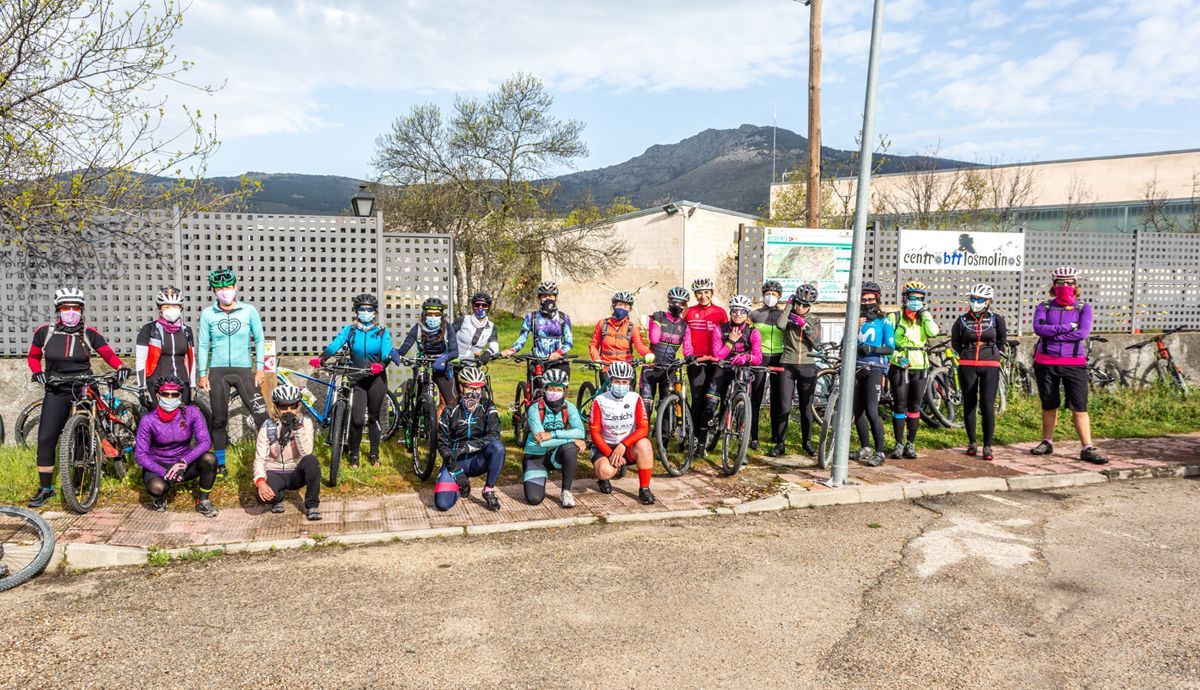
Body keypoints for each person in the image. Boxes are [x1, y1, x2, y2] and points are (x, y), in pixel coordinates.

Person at [26, 288, 132, 507]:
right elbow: (33, 356)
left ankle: (79, 481)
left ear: (81, 310)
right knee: (46, 438)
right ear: (58, 310)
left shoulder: (90, 333)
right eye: (66, 308)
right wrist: (37, 372)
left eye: (75, 308)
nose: (71, 312)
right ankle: (46, 488)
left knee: (84, 435)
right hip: (56, 388)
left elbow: (108, 354)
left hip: (84, 385)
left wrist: (121, 366)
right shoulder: (45, 332)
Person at [197, 268, 268, 478]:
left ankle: (267, 461)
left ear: (235, 287)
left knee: (262, 416)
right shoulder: (208, 314)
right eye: (219, 288)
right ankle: (220, 464)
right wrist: (202, 373)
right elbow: (202, 344)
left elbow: (260, 339)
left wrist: (261, 368)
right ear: (214, 291)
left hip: (244, 370)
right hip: (218, 372)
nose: (224, 291)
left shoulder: (248, 311)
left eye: (228, 287)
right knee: (219, 420)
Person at [1031, 266, 1107, 464]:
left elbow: (1082, 333)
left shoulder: (1083, 308)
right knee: (1049, 404)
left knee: (1079, 406)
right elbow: (1039, 329)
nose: (1065, 286)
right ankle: (1046, 441)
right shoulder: (1044, 307)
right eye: (1061, 283)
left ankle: (1087, 446)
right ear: (1053, 285)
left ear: (1076, 285)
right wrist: (1066, 328)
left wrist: (1053, 331)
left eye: (1070, 283)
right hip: (1046, 362)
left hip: (1074, 363)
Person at [313, 293, 391, 466]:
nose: (365, 312)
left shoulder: (382, 331)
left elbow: (387, 352)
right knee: (356, 418)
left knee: (373, 417)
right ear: (356, 311)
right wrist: (322, 358)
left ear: (375, 312)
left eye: (369, 310)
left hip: (376, 379)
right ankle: (354, 456)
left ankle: (374, 454)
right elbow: (335, 344)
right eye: (362, 309)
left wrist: (382, 364)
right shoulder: (350, 330)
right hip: (357, 378)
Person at [134, 377, 217, 517]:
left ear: (180, 396)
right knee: (157, 488)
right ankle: (161, 496)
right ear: (158, 396)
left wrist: (184, 461)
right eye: (166, 394)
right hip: (159, 464)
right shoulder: (148, 420)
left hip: (184, 462)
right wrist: (164, 472)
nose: (170, 398)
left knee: (210, 458)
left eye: (174, 394)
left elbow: (205, 442)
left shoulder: (192, 412)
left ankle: (203, 500)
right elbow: (140, 455)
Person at [433, 366, 505, 512]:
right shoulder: (450, 410)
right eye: (470, 388)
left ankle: (488, 490)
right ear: (461, 387)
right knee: (443, 504)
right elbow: (442, 445)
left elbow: (494, 434)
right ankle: (458, 485)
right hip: (455, 460)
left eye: (477, 389)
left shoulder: (487, 405)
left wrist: (471, 446)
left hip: (477, 460)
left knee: (498, 447)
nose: (474, 393)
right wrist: (457, 472)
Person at [952, 284, 1007, 462]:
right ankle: (972, 442)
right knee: (969, 403)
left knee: (987, 404)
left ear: (988, 301)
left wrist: (991, 353)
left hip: (990, 364)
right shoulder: (961, 320)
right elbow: (956, 342)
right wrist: (967, 353)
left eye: (980, 300)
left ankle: (988, 446)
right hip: (967, 364)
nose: (976, 302)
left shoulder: (996, 319)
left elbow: (1001, 341)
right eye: (973, 299)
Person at [588, 360, 655, 505]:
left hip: (627, 445)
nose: (621, 385)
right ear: (610, 380)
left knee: (645, 445)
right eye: (617, 381)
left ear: (630, 383)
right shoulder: (599, 400)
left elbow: (643, 428)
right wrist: (610, 453)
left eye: (625, 382)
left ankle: (644, 488)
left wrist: (624, 445)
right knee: (604, 471)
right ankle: (603, 478)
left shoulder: (635, 398)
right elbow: (595, 432)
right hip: (605, 446)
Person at [886, 280, 940, 459]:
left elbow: (933, 333)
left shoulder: (924, 317)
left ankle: (911, 443)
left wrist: (925, 315)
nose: (916, 301)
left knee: (915, 406)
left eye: (920, 298)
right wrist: (895, 357)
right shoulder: (895, 317)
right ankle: (898, 444)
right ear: (905, 298)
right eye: (912, 298)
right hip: (900, 366)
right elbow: (886, 343)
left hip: (920, 366)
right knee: (900, 405)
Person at [253, 384, 322, 520]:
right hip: (275, 471)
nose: (288, 410)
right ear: (276, 406)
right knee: (261, 497)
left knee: (312, 461)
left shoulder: (305, 422)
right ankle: (277, 498)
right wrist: (260, 481)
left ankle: (312, 505)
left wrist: (297, 428)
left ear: (298, 406)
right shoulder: (268, 425)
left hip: (296, 471)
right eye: (283, 406)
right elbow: (260, 458)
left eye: (293, 406)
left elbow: (306, 452)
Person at [522, 368, 586, 508]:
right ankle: (539, 476)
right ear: (544, 389)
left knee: (570, 449)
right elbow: (542, 442)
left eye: (559, 389)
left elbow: (581, 432)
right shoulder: (534, 408)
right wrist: (572, 439)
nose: (554, 393)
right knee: (534, 499)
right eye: (551, 389)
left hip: (554, 456)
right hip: (535, 457)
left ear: (565, 390)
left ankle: (566, 491)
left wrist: (553, 434)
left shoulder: (569, 407)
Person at [774, 283, 823, 456]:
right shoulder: (789, 315)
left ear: (810, 306)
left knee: (806, 407)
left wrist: (805, 326)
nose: (801, 308)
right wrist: (788, 306)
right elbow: (780, 325)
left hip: (808, 366)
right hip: (787, 363)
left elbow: (817, 344)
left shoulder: (814, 319)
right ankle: (780, 443)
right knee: (784, 406)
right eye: (798, 303)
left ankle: (807, 442)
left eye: (805, 305)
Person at [704, 294, 764, 436]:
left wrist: (746, 357)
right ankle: (702, 442)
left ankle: (740, 440)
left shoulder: (753, 332)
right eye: (735, 310)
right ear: (730, 312)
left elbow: (758, 358)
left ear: (747, 313)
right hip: (723, 367)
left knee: (741, 406)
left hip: (741, 370)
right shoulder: (720, 329)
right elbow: (718, 355)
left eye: (742, 311)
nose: (738, 314)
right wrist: (730, 341)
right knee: (709, 405)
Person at [684, 277, 728, 455]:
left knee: (712, 401)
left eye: (706, 293)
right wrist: (689, 354)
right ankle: (695, 439)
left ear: (711, 294)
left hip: (716, 362)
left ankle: (706, 435)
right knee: (697, 400)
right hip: (697, 361)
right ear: (695, 294)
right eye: (699, 293)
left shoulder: (720, 312)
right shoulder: (689, 312)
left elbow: (727, 335)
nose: (703, 296)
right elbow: (686, 336)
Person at [854, 282, 895, 467]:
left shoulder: (884, 321)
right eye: (863, 299)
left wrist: (872, 348)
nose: (867, 302)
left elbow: (890, 348)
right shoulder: (857, 320)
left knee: (872, 411)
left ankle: (880, 451)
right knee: (858, 411)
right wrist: (855, 327)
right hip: (856, 369)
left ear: (877, 300)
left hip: (874, 369)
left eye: (870, 299)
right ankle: (865, 447)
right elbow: (844, 343)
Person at [393, 297, 459, 412]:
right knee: (422, 402)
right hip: (424, 365)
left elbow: (455, 351)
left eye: (437, 314)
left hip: (442, 366)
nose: (433, 317)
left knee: (451, 402)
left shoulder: (448, 328)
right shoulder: (417, 329)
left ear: (441, 316)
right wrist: (396, 353)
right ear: (424, 315)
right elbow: (405, 348)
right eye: (430, 314)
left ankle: (447, 427)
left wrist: (444, 357)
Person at [135, 287, 196, 407]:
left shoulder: (187, 331)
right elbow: (140, 360)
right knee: (159, 422)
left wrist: (192, 385)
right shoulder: (149, 329)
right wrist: (142, 387)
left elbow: (191, 360)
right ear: (159, 308)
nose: (171, 310)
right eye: (167, 306)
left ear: (181, 308)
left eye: (175, 306)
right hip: (156, 383)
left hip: (182, 382)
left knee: (182, 421)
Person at [502, 280, 573, 378]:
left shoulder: (563, 318)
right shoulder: (531, 317)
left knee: (558, 390)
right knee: (534, 389)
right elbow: (522, 338)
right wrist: (512, 350)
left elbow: (569, 343)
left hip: (559, 361)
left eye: (551, 296)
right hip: (538, 361)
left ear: (556, 297)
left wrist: (558, 353)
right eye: (544, 296)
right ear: (539, 298)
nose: (547, 299)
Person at [639, 286, 694, 414]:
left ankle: (663, 433)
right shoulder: (658, 317)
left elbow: (687, 345)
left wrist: (690, 355)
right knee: (646, 407)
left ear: (685, 305)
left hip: (668, 369)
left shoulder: (684, 326)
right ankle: (643, 433)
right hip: (651, 367)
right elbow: (654, 339)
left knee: (666, 407)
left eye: (681, 303)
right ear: (668, 302)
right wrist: (657, 322)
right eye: (673, 301)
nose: (676, 305)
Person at [749, 280, 786, 451]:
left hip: (779, 357)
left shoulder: (783, 314)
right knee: (755, 397)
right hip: (760, 357)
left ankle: (776, 435)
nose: (771, 297)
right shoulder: (755, 314)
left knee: (777, 399)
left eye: (774, 294)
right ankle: (753, 436)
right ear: (763, 295)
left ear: (779, 297)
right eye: (768, 294)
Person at [588, 290, 652, 381]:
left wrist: (647, 353)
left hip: (626, 368)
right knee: (606, 394)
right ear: (614, 306)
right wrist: (596, 359)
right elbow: (593, 345)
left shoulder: (633, 327)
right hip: (606, 367)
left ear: (630, 309)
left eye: (626, 306)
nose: (622, 308)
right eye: (620, 305)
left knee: (630, 394)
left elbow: (640, 345)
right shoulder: (602, 324)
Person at [454, 291, 500, 366]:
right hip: (455, 362)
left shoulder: (491, 326)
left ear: (488, 307)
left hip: (474, 364)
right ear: (473, 306)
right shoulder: (462, 320)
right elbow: (448, 337)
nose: (480, 308)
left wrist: (488, 352)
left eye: (484, 305)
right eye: (477, 305)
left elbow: (495, 346)